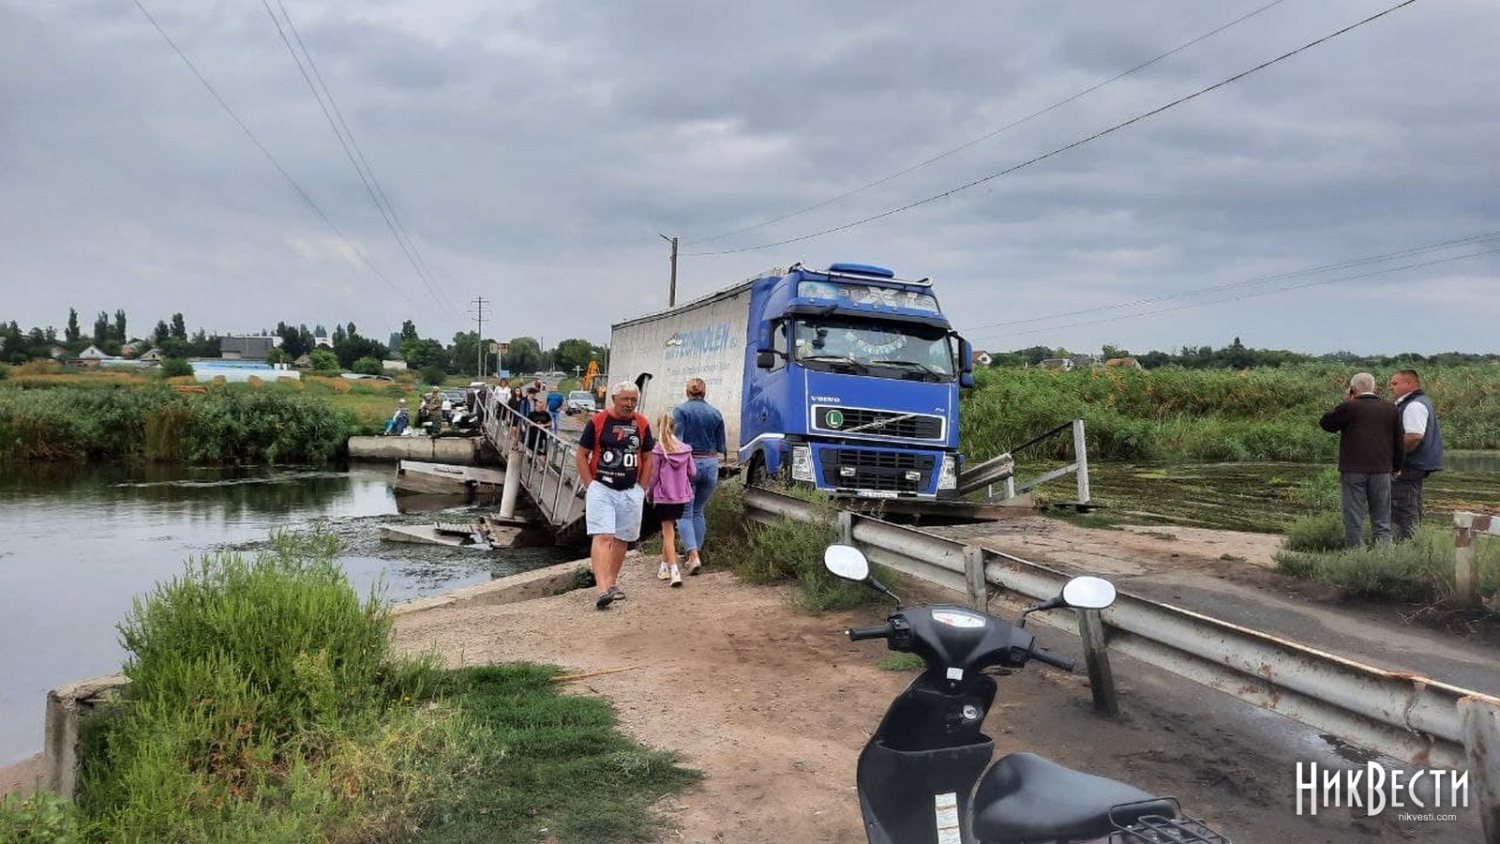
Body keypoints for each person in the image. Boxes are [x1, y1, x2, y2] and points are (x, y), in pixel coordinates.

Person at [576, 382, 654, 609]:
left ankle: (611, 582)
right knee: (603, 535)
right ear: (614, 399)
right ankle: (601, 589)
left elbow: (648, 457)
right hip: (602, 487)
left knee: (622, 538)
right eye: (625, 399)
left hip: (630, 489)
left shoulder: (642, 424)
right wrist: (590, 485)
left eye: (633, 399)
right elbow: (581, 455)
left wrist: (641, 488)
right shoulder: (597, 422)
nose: (629, 404)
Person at [1318, 373, 1404, 548]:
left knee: (1354, 516)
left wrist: (1347, 401)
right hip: (1381, 468)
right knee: (1382, 517)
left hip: (1353, 469)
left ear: (1353, 389)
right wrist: (1396, 466)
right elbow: (1399, 441)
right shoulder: (1391, 408)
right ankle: (1383, 553)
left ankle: (1356, 552)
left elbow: (1326, 423)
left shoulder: (1349, 407)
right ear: (1374, 387)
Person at [672, 377, 726, 575]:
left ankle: (693, 556)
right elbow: (721, 446)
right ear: (705, 392)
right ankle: (696, 555)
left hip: (689, 464)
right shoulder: (715, 413)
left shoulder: (680, 411)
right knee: (698, 511)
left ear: (687, 392)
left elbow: (678, 442)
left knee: (684, 513)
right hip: (711, 465)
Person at [1388, 369, 1444, 540]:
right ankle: (1412, 541)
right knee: (1411, 504)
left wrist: (1396, 457)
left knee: (1403, 506)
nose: (1391, 387)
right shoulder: (1418, 402)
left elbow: (1414, 437)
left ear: (1409, 384)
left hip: (1410, 464)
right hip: (1416, 463)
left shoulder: (1414, 405)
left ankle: (1407, 543)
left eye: (1395, 383)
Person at [645, 413, 697, 587]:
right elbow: (693, 472)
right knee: (669, 531)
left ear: (658, 428)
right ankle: (664, 568)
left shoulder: (658, 450)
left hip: (664, 497)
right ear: (674, 428)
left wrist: (649, 493)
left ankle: (675, 572)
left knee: (667, 533)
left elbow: (653, 477)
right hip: (680, 496)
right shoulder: (685, 449)